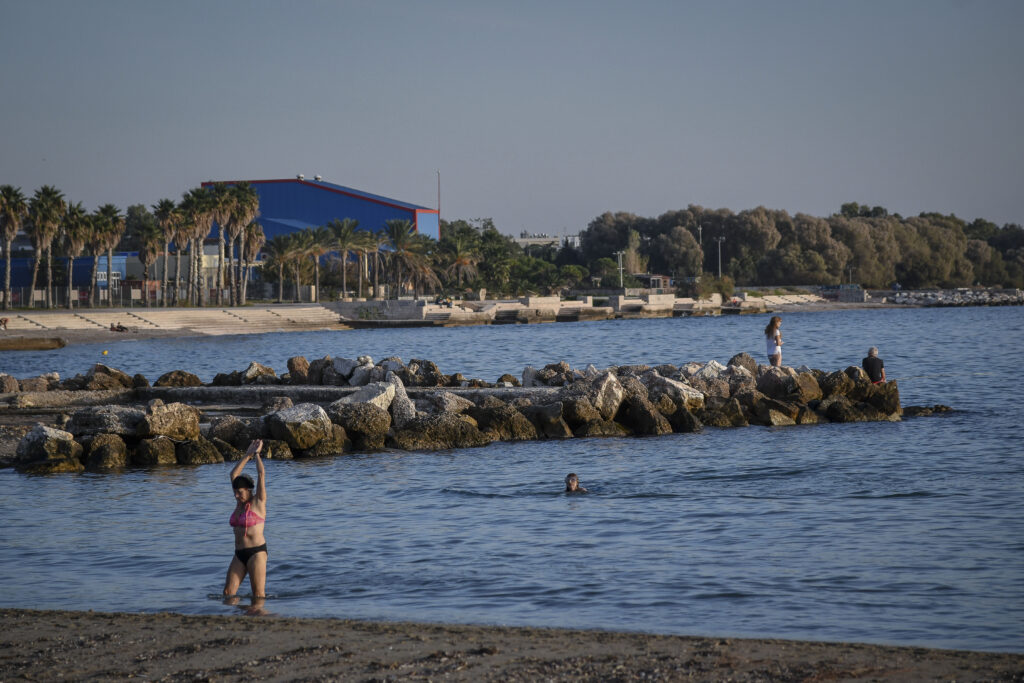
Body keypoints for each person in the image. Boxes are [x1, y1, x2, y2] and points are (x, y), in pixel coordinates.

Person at [225, 440, 268, 600]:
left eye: (240, 492)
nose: (236, 495)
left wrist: (257, 455)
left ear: (249, 490)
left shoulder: (259, 502)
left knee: (258, 596)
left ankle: (259, 620)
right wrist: (247, 455)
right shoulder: (239, 503)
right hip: (239, 554)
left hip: (256, 552)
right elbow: (233, 475)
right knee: (228, 594)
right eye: (235, 492)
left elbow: (261, 474)